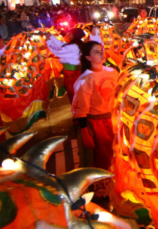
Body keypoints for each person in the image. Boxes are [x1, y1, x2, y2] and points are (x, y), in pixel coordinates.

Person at [72, 41, 118, 175]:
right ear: (87, 57)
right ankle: (103, 187)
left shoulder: (112, 72)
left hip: (114, 121)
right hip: (97, 125)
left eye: (102, 50)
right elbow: (81, 109)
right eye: (96, 52)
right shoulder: (85, 79)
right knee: (102, 157)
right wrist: (85, 133)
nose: (102, 54)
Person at [46, 28, 86, 102]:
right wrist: (51, 37)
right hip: (73, 71)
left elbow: (57, 51)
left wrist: (48, 41)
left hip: (72, 73)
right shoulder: (75, 45)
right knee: (75, 91)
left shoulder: (73, 47)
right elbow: (62, 45)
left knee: (73, 92)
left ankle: (79, 109)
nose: (68, 35)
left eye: (70, 33)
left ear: (74, 35)